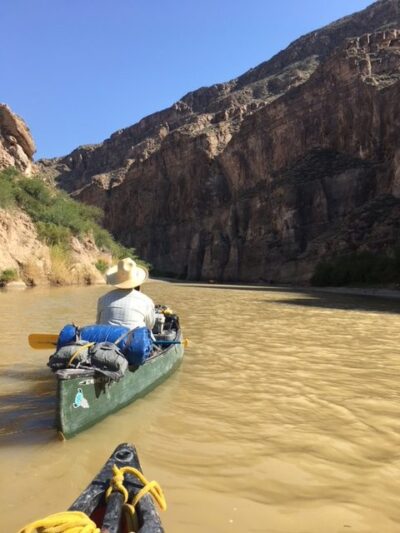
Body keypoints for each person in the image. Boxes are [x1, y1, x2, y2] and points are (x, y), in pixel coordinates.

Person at [96, 257, 155, 330]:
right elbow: (149, 327)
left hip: (106, 339)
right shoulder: (146, 301)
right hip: (134, 340)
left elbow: (98, 324)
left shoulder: (103, 299)